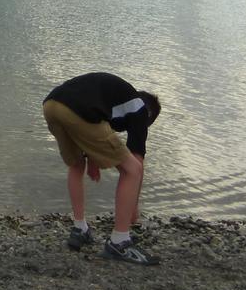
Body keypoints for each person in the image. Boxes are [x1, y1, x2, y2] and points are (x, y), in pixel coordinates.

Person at [42, 72, 161, 265]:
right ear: (149, 115)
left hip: (52, 105)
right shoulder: (140, 109)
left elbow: (95, 125)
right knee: (132, 170)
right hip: (78, 110)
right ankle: (120, 242)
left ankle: (80, 228)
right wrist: (134, 207)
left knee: (76, 164)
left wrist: (93, 161)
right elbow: (137, 161)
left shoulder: (117, 100)